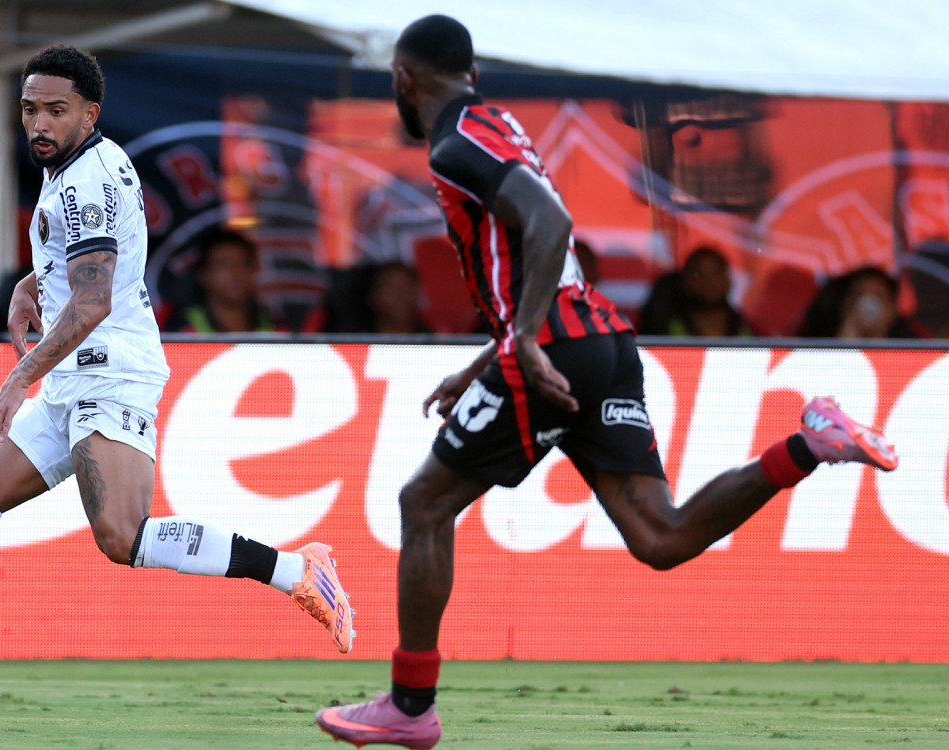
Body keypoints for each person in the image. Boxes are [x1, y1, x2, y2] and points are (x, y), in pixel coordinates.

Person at [315, 16, 898, 750]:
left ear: (403, 77)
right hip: (601, 340)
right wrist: (490, 356)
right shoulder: (496, 124)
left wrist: (524, 339)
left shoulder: (455, 140)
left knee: (423, 503)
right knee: (661, 537)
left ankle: (409, 705)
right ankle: (811, 445)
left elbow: (551, 222)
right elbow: (540, 252)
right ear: (471, 73)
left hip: (557, 344)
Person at [0, 44, 353, 720]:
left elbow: (92, 301)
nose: (39, 123)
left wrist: (16, 380)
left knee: (123, 537)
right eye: (30, 109)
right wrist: (34, 281)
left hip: (110, 372)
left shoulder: (85, 179)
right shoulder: (81, 165)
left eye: (56, 110)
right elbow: (97, 255)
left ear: (90, 112)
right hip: (74, 375)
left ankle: (298, 570)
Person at [163, 229, 282, 333]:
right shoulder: (181, 326)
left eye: (242, 264)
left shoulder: (273, 323)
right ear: (203, 275)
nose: (234, 273)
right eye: (223, 265)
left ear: (253, 270)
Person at [638, 246, 753, 337]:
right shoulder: (661, 332)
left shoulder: (748, 332)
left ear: (728, 281)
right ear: (683, 281)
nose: (708, 280)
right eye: (698, 273)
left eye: (716, 272)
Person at [799, 266, 919, 339]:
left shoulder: (910, 353)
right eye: (859, 295)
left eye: (878, 296)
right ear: (845, 304)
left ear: (892, 309)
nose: (868, 303)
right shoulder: (814, 351)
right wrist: (849, 332)